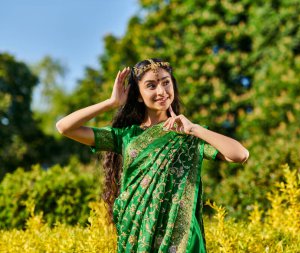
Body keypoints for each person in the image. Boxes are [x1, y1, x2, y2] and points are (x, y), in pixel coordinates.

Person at [56, 58, 249, 253]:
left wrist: (195, 129)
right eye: (151, 85)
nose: (161, 91)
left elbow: (240, 154)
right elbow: (64, 127)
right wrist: (111, 102)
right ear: (138, 95)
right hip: (137, 236)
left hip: (182, 240)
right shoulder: (126, 136)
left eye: (166, 82)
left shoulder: (189, 135)